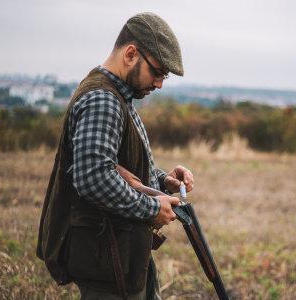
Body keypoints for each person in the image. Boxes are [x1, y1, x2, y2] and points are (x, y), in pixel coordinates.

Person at [36, 12, 194, 300]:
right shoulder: (103, 100)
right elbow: (93, 177)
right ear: (131, 54)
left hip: (120, 257)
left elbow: (119, 167)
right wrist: (151, 209)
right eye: (157, 72)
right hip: (107, 261)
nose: (159, 84)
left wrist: (162, 180)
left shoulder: (118, 95)